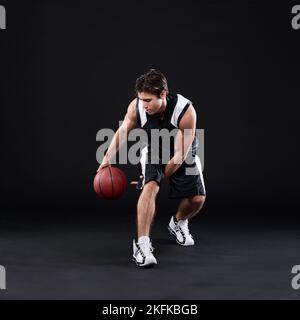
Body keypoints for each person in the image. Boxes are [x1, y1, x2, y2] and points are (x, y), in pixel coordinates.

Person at [97, 69, 206, 267]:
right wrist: (106, 158)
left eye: (148, 100)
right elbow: (123, 131)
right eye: (141, 99)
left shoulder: (185, 110)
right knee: (150, 187)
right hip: (155, 149)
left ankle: (178, 222)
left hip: (183, 151)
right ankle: (142, 245)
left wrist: (161, 176)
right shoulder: (137, 106)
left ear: (163, 94)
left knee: (197, 199)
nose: (143, 104)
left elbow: (180, 156)